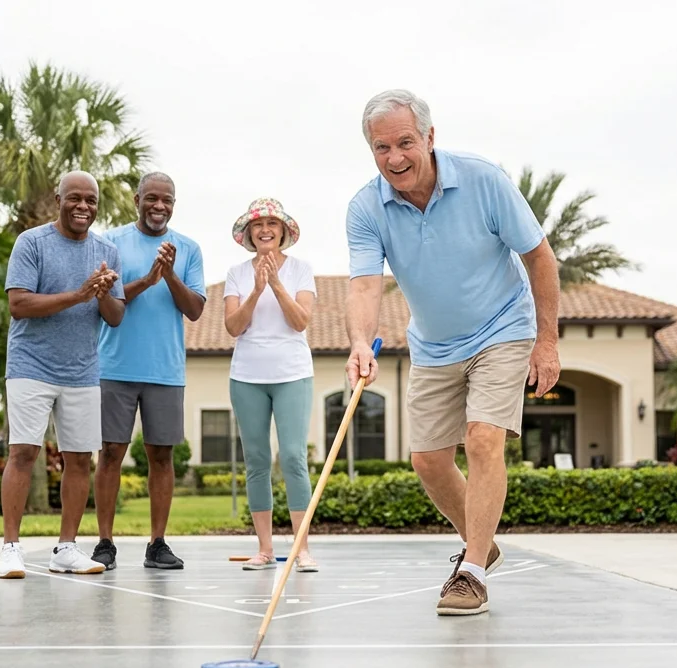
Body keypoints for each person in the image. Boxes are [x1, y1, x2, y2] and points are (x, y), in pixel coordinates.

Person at [343, 89, 562, 615]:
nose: (395, 158)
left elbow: (539, 257)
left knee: (484, 438)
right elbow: (365, 286)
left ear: (430, 137)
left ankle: (472, 572)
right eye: (381, 147)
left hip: (503, 327)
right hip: (435, 344)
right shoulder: (366, 207)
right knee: (428, 460)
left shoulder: (484, 180)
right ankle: (483, 542)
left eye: (405, 142)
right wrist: (358, 342)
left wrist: (548, 341)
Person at [0, 170, 125, 579]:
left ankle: (66, 548)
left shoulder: (106, 250)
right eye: (75, 198)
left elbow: (116, 317)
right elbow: (19, 305)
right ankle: (11, 549)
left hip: (82, 370)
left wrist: (102, 295)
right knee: (23, 453)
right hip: (31, 365)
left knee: (80, 459)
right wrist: (79, 294)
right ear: (58, 199)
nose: (83, 206)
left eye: (91, 200)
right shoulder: (31, 243)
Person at [92, 172, 206, 570]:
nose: (160, 206)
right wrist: (148, 279)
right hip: (115, 366)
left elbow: (194, 309)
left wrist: (170, 274)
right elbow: (107, 303)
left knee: (161, 456)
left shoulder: (188, 249)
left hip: (165, 370)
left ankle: (157, 543)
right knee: (110, 454)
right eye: (152, 199)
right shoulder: (109, 242)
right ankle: (105, 543)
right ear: (137, 199)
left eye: (168, 200)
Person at [223, 198, 320, 572]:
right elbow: (233, 327)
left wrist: (276, 284)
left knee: (294, 457)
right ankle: (264, 549)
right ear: (248, 233)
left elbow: (301, 321)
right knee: (257, 461)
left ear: (283, 231)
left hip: (292, 374)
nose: (265, 230)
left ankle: (301, 548)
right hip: (247, 376)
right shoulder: (236, 273)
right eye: (257, 225)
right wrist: (255, 290)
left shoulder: (300, 270)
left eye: (272, 224)